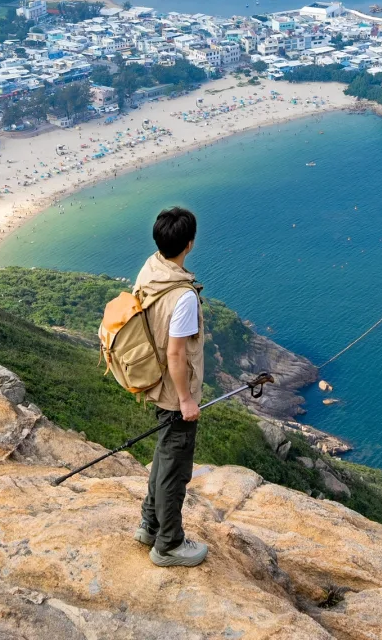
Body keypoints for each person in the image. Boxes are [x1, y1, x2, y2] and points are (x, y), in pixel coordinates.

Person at [133, 206, 208, 567]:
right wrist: (186, 400)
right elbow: (177, 355)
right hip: (172, 389)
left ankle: (149, 525)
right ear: (189, 244)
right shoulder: (183, 296)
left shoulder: (152, 268)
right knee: (176, 467)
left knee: (163, 456)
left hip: (152, 378)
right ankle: (168, 546)